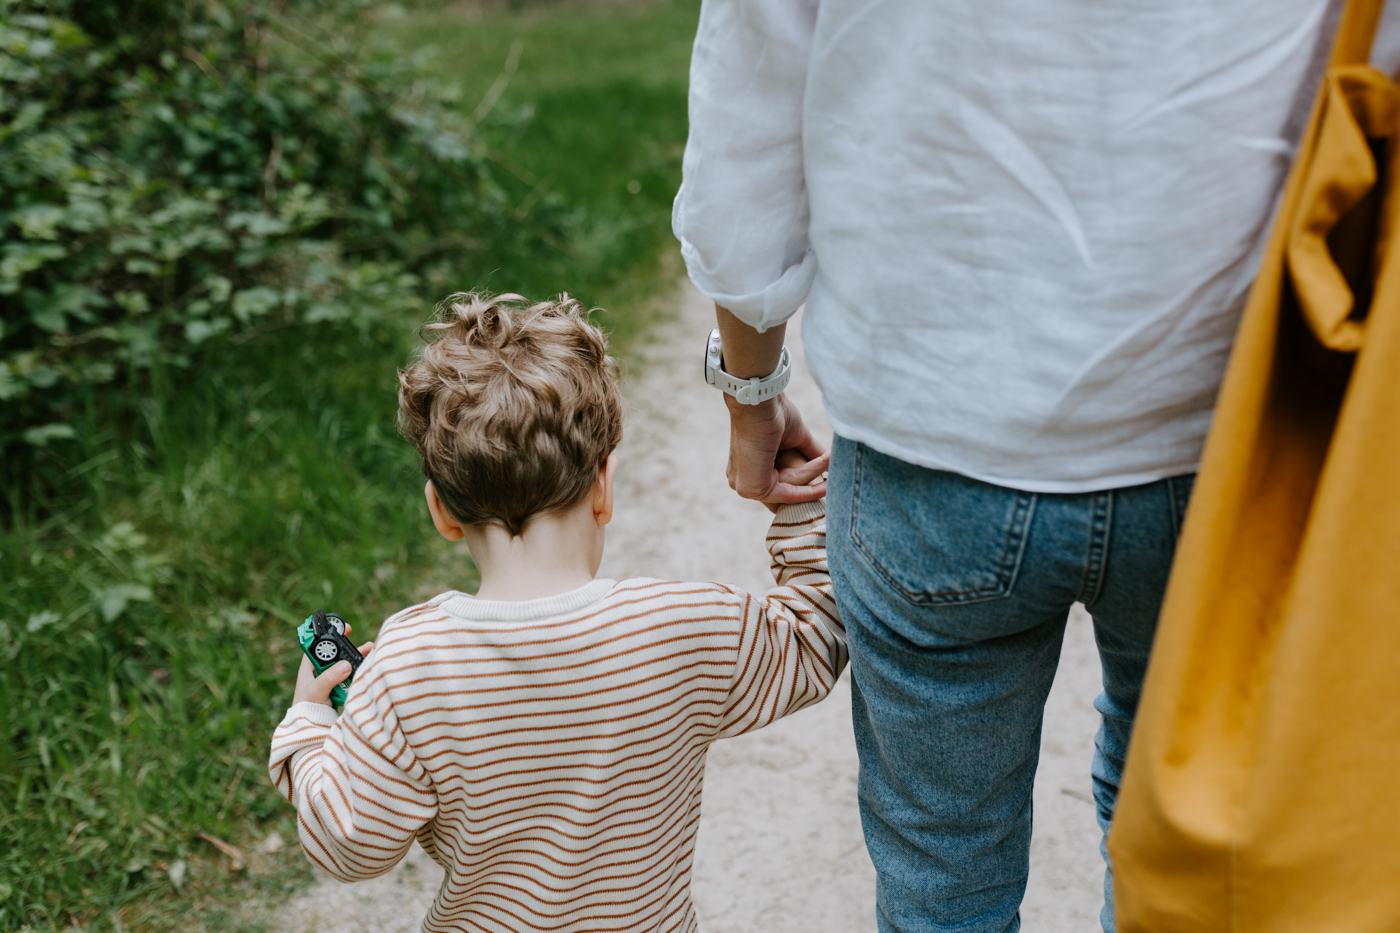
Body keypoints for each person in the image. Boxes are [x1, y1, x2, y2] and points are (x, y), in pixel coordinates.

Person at [672, 1, 1400, 930]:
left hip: (925, 434)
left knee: (944, 865)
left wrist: (751, 388)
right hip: (1227, 433)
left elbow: (750, 109)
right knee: (1191, 835)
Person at [266, 292, 844, 933]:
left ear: (441, 512)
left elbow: (351, 848)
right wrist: (798, 504)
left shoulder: (406, 669)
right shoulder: (682, 627)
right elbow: (816, 637)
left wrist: (312, 725)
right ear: (604, 487)